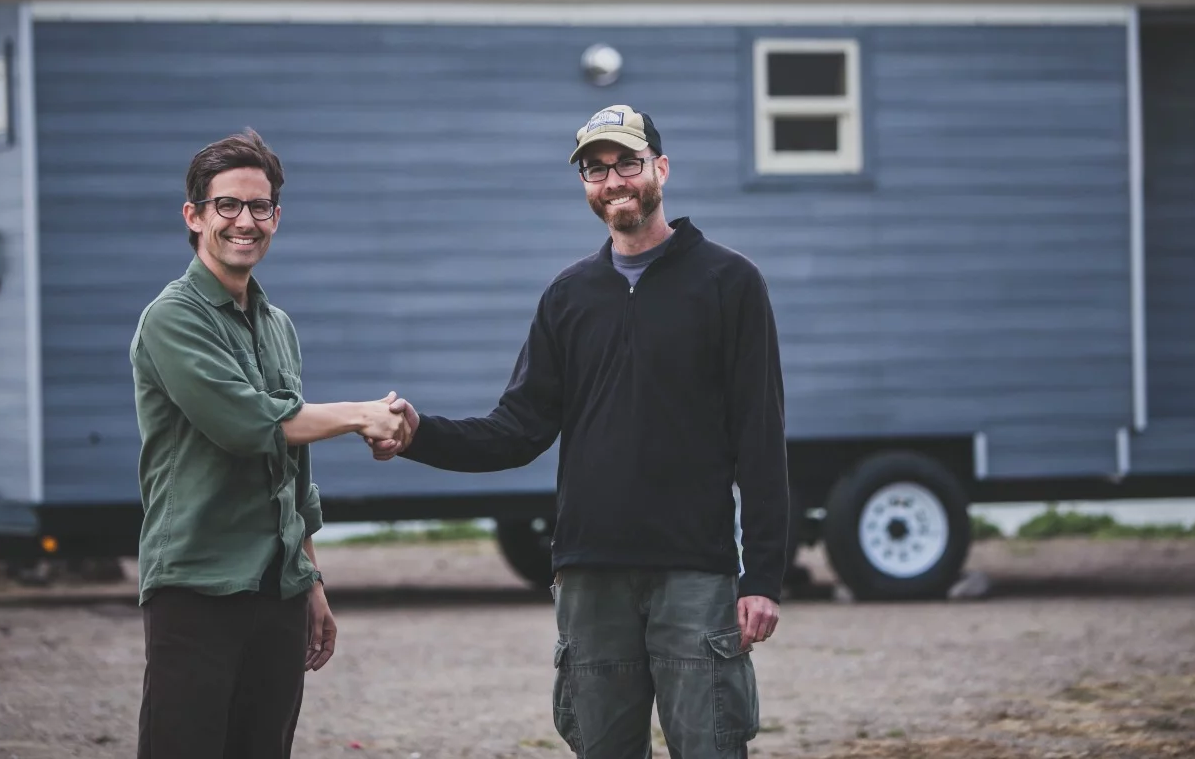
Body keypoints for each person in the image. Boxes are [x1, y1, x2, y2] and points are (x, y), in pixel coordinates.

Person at [375, 105, 788, 758]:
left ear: (661, 168)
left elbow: (760, 439)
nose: (613, 180)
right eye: (595, 170)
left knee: (711, 747)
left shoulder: (729, 283)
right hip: (590, 578)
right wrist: (420, 434)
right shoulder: (569, 297)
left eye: (626, 162)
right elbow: (517, 429)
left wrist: (762, 574)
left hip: (695, 574)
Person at [131, 128, 412, 759]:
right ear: (194, 215)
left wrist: (309, 578)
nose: (245, 221)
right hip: (197, 585)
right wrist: (363, 415)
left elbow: (291, 470)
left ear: (276, 218)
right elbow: (247, 424)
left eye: (260, 208)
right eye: (227, 205)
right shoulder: (172, 318)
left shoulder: (277, 325)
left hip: (277, 591)